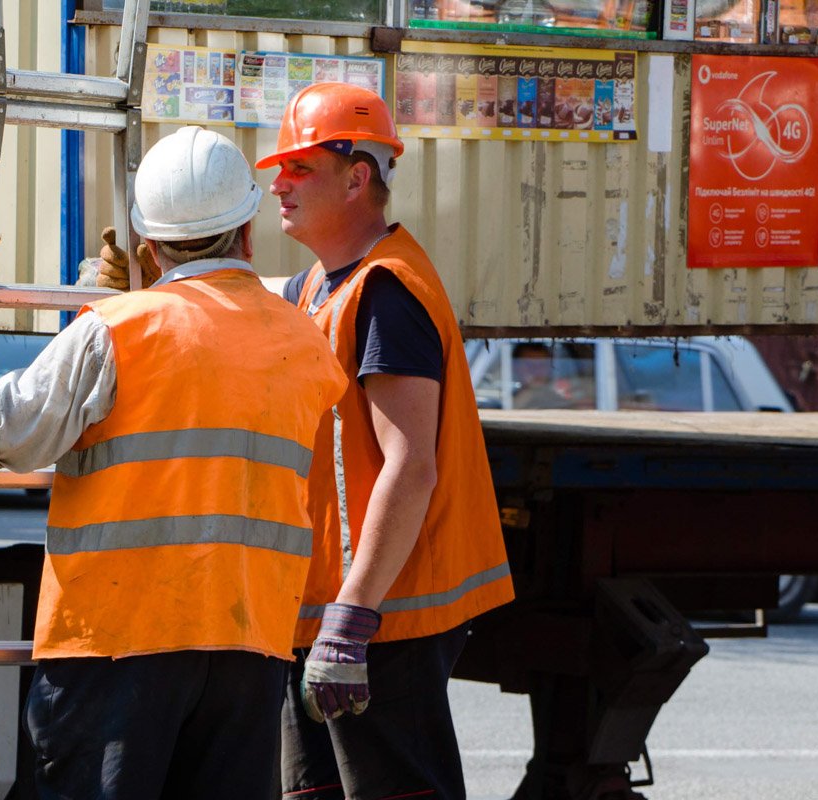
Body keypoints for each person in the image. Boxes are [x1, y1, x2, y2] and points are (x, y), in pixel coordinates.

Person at [0, 125, 347, 800]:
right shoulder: (305, 340)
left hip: (117, 647)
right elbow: (213, 353)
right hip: (251, 647)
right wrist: (142, 294)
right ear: (247, 231)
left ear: (150, 245)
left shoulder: (117, 332)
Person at [255, 82, 515, 800]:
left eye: (300, 167)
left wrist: (353, 618)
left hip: (379, 617)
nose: (279, 183)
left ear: (357, 175)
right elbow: (253, 300)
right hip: (335, 614)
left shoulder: (387, 290)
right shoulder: (321, 284)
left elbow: (411, 465)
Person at [511, 342, 573, 409]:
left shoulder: (561, 402)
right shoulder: (504, 401)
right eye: (530, 365)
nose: (537, 370)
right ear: (516, 367)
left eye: (543, 364)